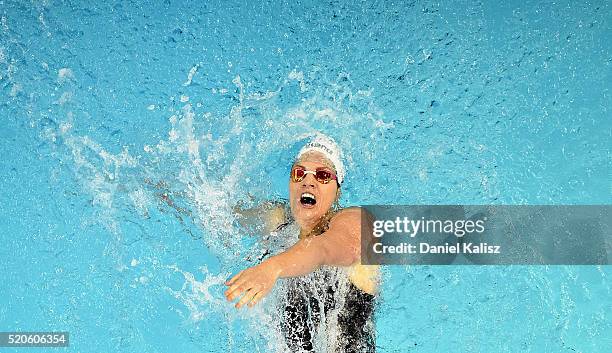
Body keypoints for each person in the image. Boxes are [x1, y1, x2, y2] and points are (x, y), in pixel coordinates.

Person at [224, 134, 380, 352]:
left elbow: (322, 248)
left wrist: (273, 267)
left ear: (337, 192)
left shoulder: (356, 221)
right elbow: (218, 215)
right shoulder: (280, 222)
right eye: (299, 173)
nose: (309, 181)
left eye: (323, 175)